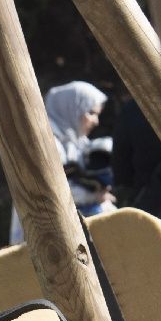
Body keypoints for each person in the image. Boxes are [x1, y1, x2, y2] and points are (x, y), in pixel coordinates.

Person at [14, 80, 107, 242]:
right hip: (44, 238)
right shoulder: (46, 143)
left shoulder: (76, 142)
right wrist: (95, 196)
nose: (96, 121)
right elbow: (49, 190)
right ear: (71, 109)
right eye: (91, 113)